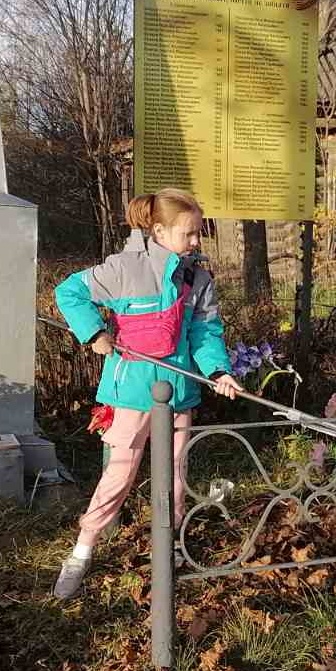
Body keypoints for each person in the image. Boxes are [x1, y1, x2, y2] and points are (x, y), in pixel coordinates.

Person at [51, 188, 243, 599]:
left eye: (198, 234)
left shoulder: (197, 278)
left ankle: (167, 545)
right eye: (189, 234)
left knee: (174, 476)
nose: (196, 242)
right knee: (120, 472)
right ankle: (83, 550)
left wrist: (219, 371)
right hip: (133, 392)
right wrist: (94, 332)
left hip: (179, 393)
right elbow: (68, 292)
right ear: (158, 230)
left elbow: (205, 333)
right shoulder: (123, 269)